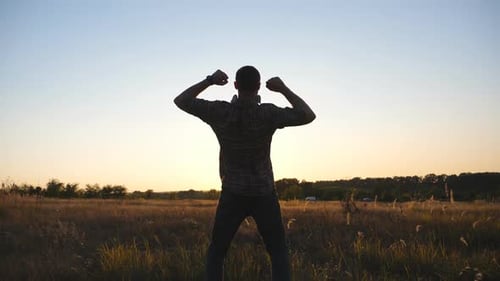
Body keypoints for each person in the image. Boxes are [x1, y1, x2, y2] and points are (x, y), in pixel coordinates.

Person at [174, 66, 315, 281]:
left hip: (233, 192)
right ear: (258, 86)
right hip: (264, 193)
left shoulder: (221, 112)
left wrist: (210, 80)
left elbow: (181, 100)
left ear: (235, 85)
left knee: (217, 252)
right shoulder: (267, 113)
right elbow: (307, 115)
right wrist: (283, 89)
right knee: (277, 252)